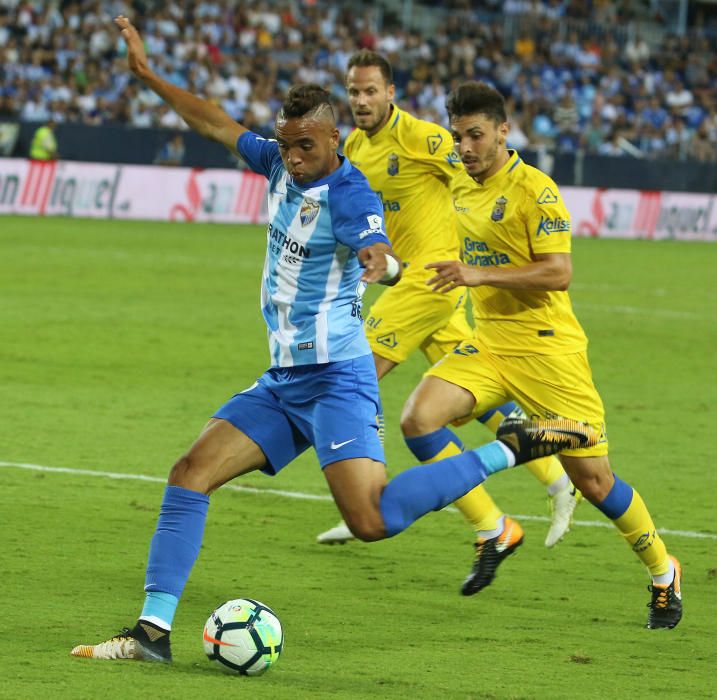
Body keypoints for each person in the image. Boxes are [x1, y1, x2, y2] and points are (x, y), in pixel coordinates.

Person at [69, 17, 595, 663]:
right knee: (188, 474)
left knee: (370, 521)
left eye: (304, 148)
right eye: (286, 145)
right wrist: (149, 76)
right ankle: (151, 633)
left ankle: (511, 449)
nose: (292, 158)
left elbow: (368, 233)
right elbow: (212, 121)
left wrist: (378, 257)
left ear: (333, 140)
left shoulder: (349, 190)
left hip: (336, 378)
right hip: (285, 377)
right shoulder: (278, 164)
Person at [400, 81, 682, 629]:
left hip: (548, 351)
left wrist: (476, 273)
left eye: (476, 135)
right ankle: (493, 528)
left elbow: (559, 272)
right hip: (489, 343)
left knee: (595, 482)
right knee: (419, 420)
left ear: (504, 131)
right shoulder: (458, 179)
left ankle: (663, 571)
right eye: (458, 136)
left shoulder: (536, 191)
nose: (466, 147)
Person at [316, 50, 582, 592]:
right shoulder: (359, 148)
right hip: (412, 282)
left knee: (349, 381)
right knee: (479, 401)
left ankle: (385, 500)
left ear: (391, 92)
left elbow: (482, 169)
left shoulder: (426, 138)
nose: (361, 101)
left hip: (432, 281)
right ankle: (555, 479)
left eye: (371, 91)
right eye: (353, 91)